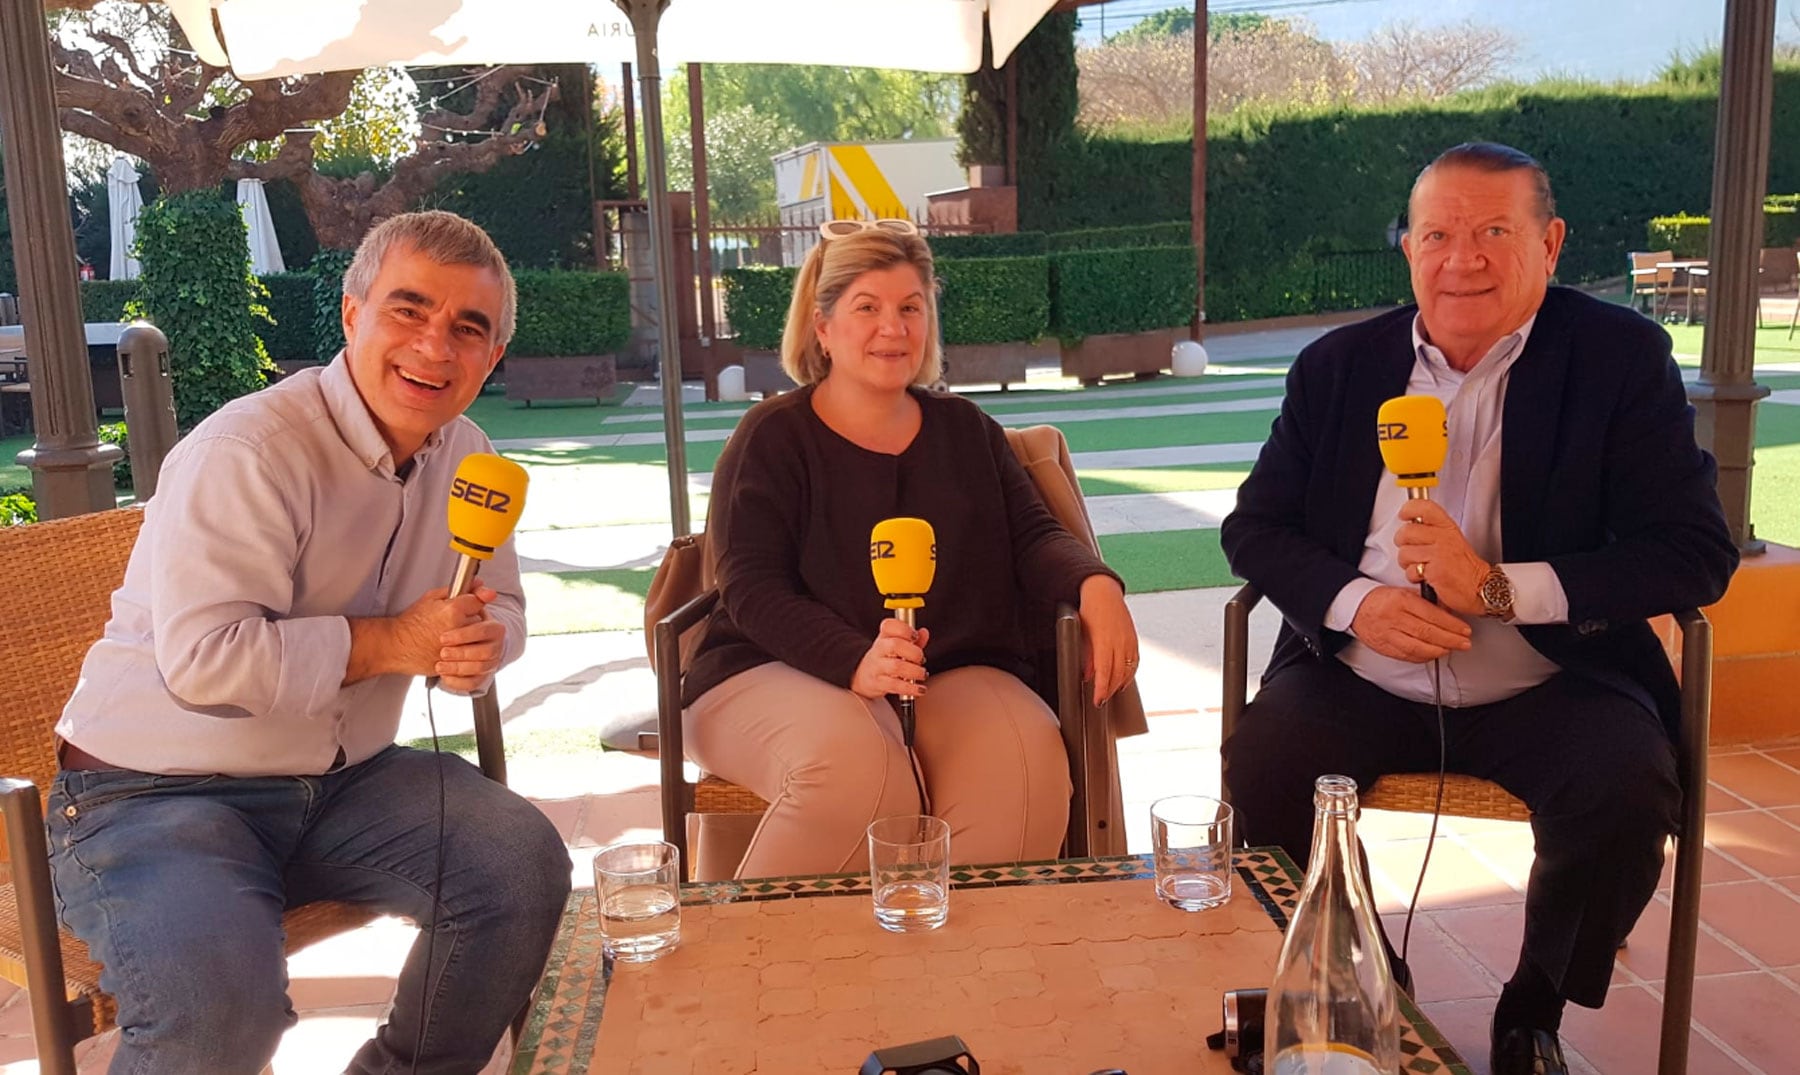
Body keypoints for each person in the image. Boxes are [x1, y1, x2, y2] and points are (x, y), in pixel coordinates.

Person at [1219, 144, 1738, 1075]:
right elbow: (1256, 529)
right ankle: (1368, 975)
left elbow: (1694, 551)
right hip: (1360, 671)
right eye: (1439, 235)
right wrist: (1356, 604)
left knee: (1625, 792)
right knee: (1261, 763)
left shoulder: (1620, 360)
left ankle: (1531, 1006)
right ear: (1408, 249)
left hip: (1549, 677)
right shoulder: (1339, 367)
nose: (1464, 258)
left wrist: (1498, 587)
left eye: (1496, 231)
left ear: (1551, 243)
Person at [48, 211, 571, 1074]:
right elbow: (206, 661)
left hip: (341, 780)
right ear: (353, 313)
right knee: (224, 1012)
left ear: (492, 355)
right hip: (150, 793)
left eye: (467, 327)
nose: (435, 346)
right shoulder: (247, 449)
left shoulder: (468, 455)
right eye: (409, 310)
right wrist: (398, 641)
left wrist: (484, 639)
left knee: (519, 866)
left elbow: (501, 602)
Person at [681, 218, 1139, 879]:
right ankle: (749, 969)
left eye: (910, 308)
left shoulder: (966, 429)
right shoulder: (772, 436)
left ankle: (959, 972)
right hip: (769, 668)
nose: (893, 329)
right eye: (867, 308)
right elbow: (751, 586)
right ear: (823, 326)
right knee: (861, 771)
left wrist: (1098, 584)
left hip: (949, 671)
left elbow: (1034, 537)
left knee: (1027, 763)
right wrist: (853, 659)